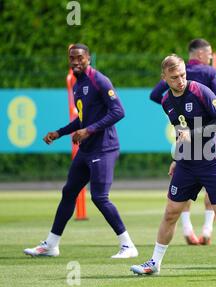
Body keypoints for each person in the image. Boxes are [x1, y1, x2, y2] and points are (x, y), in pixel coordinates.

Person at [130, 54, 216, 276]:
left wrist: (195, 133)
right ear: (164, 78)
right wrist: (177, 158)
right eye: (174, 77)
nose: (180, 80)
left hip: (211, 162)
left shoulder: (201, 91)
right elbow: (180, 132)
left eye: (182, 75)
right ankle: (154, 263)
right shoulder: (166, 101)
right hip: (187, 164)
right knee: (171, 212)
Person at [24, 43, 138, 259]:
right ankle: (51, 244)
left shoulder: (99, 80)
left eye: (80, 58)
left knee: (99, 197)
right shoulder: (78, 84)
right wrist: (59, 133)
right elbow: (83, 118)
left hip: (104, 148)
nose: (75, 62)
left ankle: (128, 245)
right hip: (87, 150)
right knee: (69, 192)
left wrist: (89, 130)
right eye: (72, 58)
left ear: (88, 58)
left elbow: (118, 111)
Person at [149, 39, 216, 246]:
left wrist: (177, 104)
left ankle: (188, 229)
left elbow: (155, 94)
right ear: (200, 54)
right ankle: (207, 230)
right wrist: (203, 105)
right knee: (210, 190)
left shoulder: (174, 77)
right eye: (209, 54)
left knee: (183, 193)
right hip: (204, 139)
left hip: (187, 133)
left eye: (182, 76)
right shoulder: (208, 72)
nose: (210, 58)